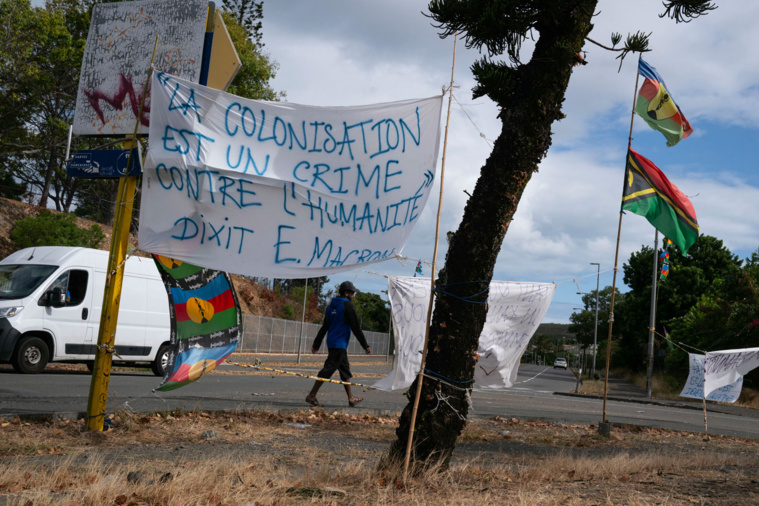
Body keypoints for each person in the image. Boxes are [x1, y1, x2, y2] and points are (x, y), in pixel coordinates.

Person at [306, 280, 371, 407]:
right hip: (339, 344)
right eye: (352, 293)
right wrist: (365, 345)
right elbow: (356, 327)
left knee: (345, 371)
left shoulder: (330, 307)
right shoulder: (347, 306)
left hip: (333, 342)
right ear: (346, 293)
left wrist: (316, 344)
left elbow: (324, 327)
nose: (353, 296)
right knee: (327, 370)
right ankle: (311, 395)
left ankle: (351, 398)